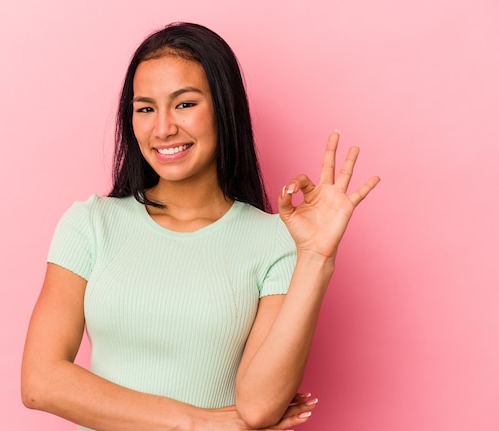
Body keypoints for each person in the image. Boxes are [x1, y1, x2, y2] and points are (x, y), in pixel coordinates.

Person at [21, 22, 380, 431]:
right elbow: (41, 381)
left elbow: (259, 406)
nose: (163, 129)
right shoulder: (91, 224)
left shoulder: (275, 240)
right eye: (145, 108)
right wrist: (196, 423)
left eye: (185, 104)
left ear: (223, 109)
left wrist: (316, 257)